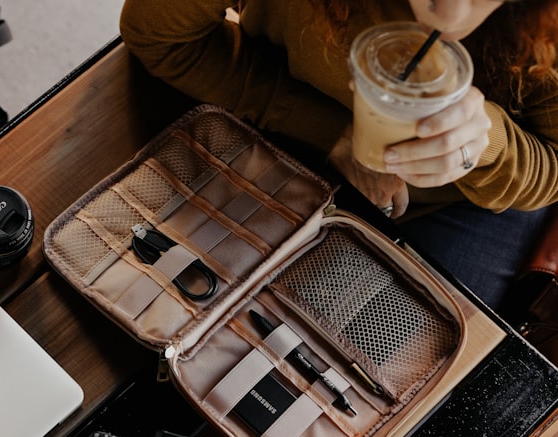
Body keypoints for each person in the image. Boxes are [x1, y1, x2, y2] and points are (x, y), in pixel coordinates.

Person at [120, 0, 558, 316]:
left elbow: (551, 169)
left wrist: (488, 144)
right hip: (283, 138)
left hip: (465, 203)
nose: (451, 12)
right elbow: (161, 37)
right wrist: (327, 131)